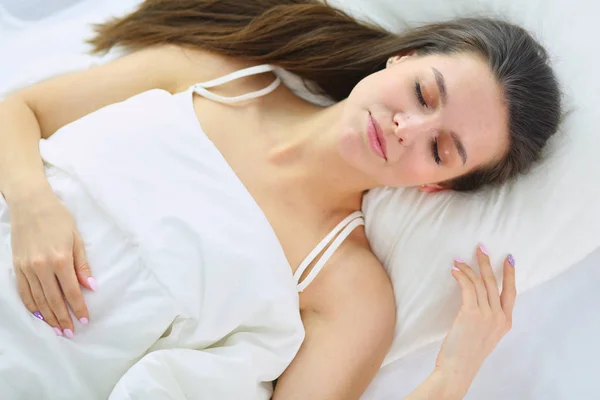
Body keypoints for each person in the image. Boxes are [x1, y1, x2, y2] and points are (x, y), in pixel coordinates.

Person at [0, 0, 561, 398]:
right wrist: (33, 205)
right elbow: (18, 111)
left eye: (441, 149)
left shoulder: (351, 294)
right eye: (422, 93)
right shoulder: (213, 74)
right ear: (404, 57)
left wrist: (451, 377)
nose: (405, 127)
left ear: (435, 186)